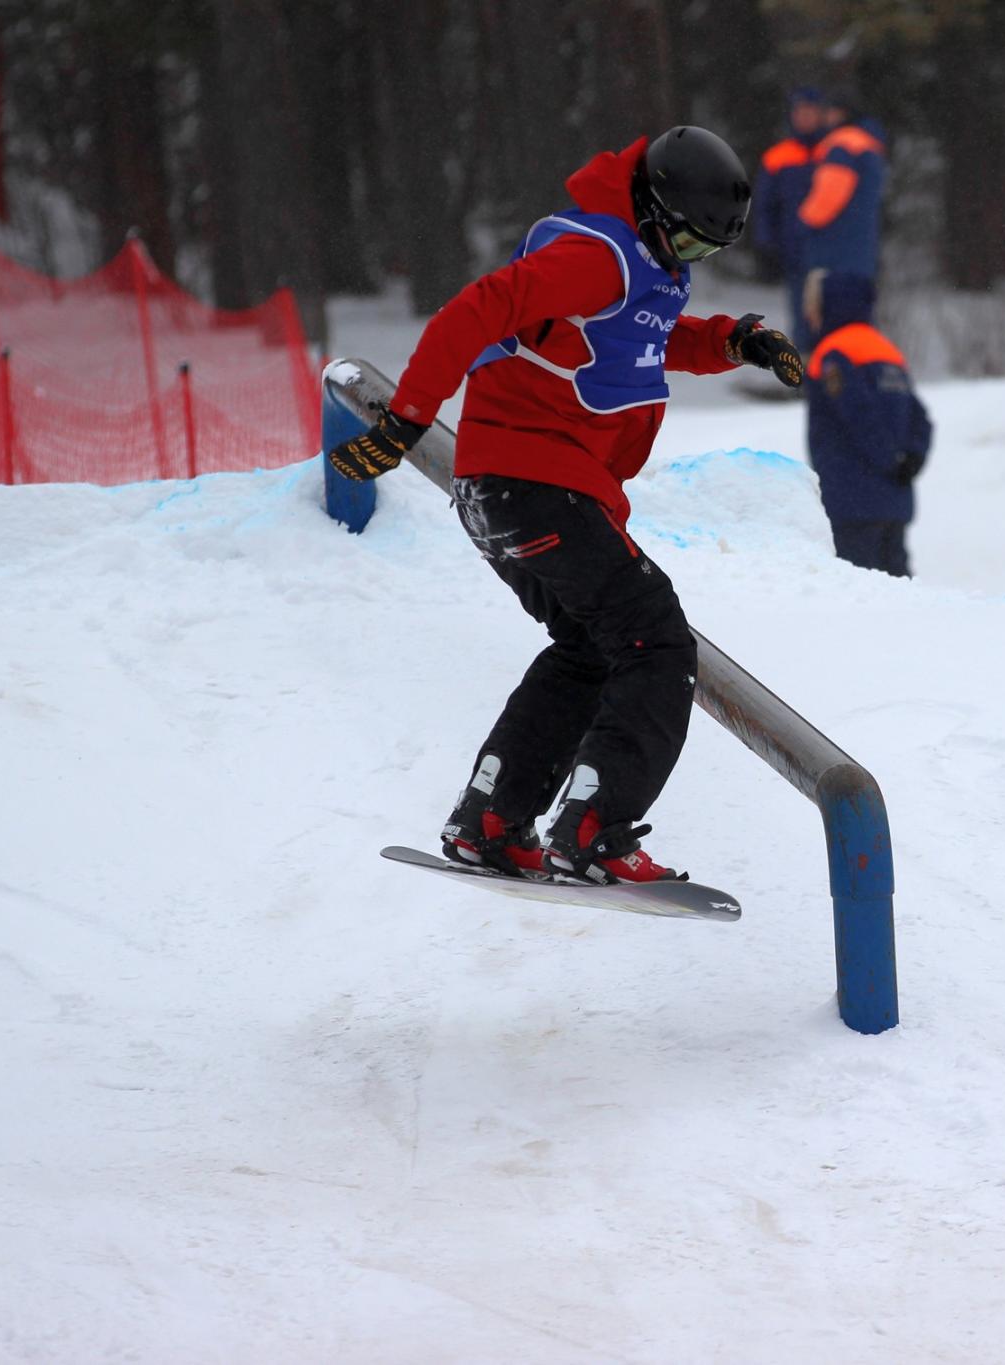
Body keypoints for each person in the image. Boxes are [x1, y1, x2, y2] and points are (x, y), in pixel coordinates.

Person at [325, 127, 804, 883]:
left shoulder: (641, 262)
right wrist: (408, 419)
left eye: (705, 250)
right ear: (649, 204)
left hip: (503, 492)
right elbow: (474, 312)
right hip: (538, 483)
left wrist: (731, 342)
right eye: (682, 237)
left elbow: (641, 339)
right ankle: (593, 832)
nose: (688, 257)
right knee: (657, 643)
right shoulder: (596, 254)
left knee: (589, 648)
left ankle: (491, 820)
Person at [801, 269, 932, 576]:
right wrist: (911, 460)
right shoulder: (888, 352)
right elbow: (920, 418)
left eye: (813, 304)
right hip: (895, 501)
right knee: (899, 591)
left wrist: (887, 461)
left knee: (859, 595)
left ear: (829, 305)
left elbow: (858, 414)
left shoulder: (833, 354)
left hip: (851, 501)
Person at [795, 92, 887, 347]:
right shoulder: (870, 146)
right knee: (856, 337)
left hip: (834, 264)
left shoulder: (842, 146)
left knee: (828, 340)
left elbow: (825, 203)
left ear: (841, 114)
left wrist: (801, 223)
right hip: (861, 263)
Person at [752, 87, 824, 340]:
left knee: (832, 314)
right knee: (802, 314)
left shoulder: (833, 151)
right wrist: (766, 243)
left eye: (810, 112)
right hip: (794, 250)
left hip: (829, 251)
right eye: (800, 112)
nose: (804, 117)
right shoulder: (778, 156)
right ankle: (805, 371)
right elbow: (764, 204)